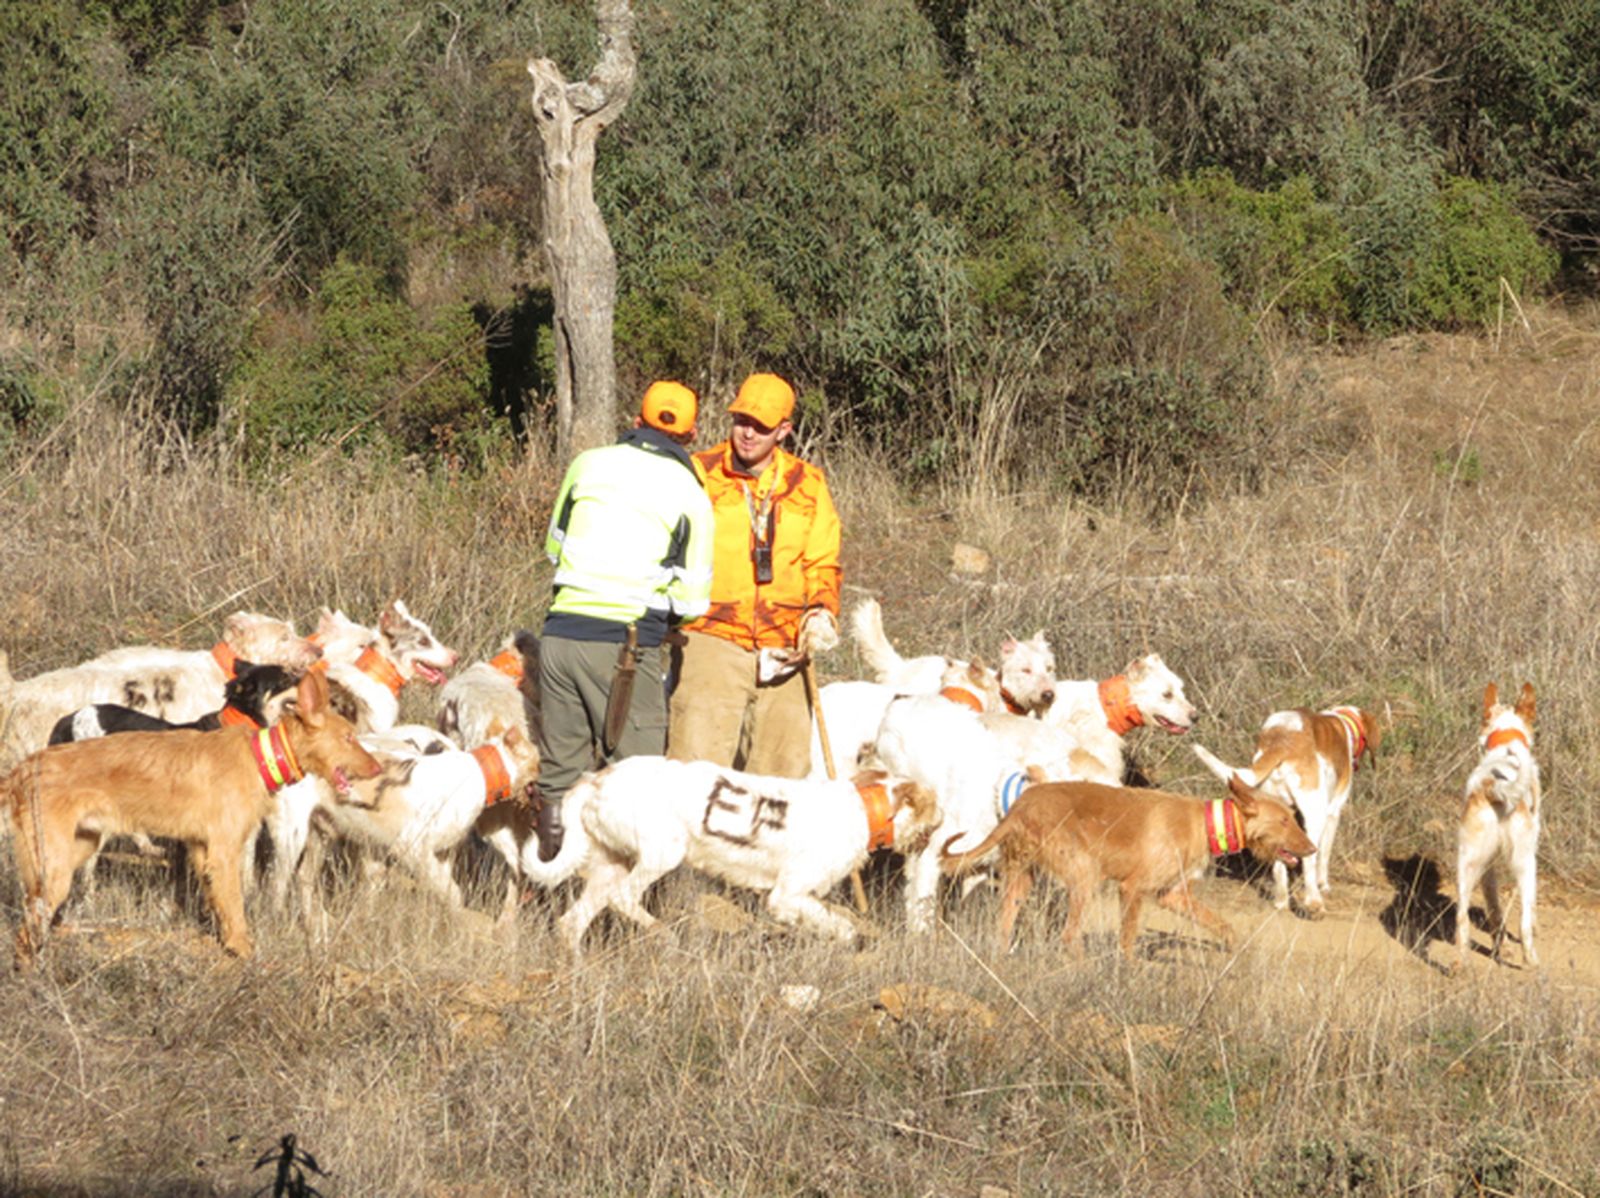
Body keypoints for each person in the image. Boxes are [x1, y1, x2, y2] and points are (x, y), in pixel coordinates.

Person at [533, 380, 714, 858]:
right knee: (636, 776)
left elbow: (554, 546)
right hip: (625, 651)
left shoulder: (587, 463)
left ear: (636, 422)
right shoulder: (690, 491)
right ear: (691, 436)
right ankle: (622, 906)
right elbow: (693, 600)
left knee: (561, 773)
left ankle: (552, 881)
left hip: (559, 636)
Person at [666, 371, 841, 778]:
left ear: (784, 430)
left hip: (786, 643)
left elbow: (822, 560)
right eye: (741, 420)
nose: (747, 433)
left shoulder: (808, 483)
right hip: (710, 633)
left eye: (761, 426)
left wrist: (820, 613)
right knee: (694, 770)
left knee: (783, 774)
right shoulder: (699, 473)